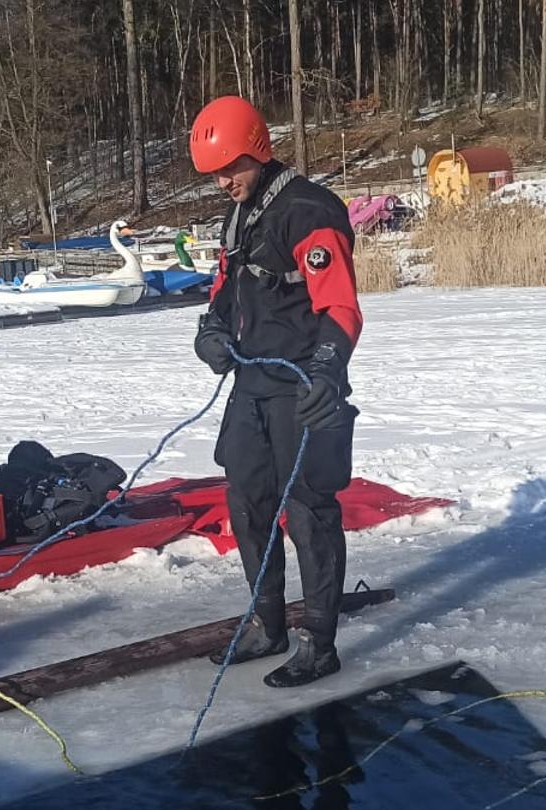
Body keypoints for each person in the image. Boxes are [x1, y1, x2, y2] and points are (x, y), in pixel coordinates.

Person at [189, 95, 363, 688]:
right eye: (215, 174)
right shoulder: (238, 217)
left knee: (310, 512)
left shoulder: (309, 210)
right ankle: (269, 623)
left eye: (231, 168)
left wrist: (326, 371)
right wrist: (210, 331)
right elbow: (225, 291)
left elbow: (341, 308)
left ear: (258, 150)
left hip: (302, 386)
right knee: (247, 504)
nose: (223, 182)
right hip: (251, 386)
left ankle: (320, 642)